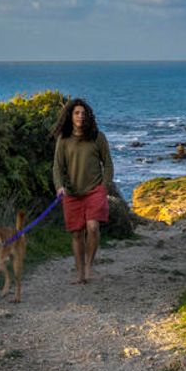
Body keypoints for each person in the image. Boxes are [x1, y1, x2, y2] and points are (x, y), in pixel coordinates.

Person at [52, 98, 113, 284]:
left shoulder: (97, 137)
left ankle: (88, 266)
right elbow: (57, 167)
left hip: (94, 190)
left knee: (93, 228)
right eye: (77, 113)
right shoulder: (63, 140)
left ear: (88, 117)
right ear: (70, 116)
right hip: (71, 193)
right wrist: (59, 186)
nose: (80, 116)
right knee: (77, 234)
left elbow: (108, 164)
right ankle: (79, 273)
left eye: (84, 113)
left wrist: (104, 186)